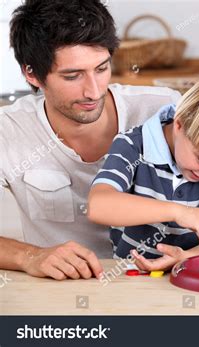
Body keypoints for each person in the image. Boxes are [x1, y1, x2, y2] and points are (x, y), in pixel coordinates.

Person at [0, 0, 181, 280]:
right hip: (61, 291)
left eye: (101, 68)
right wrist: (30, 256)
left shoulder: (163, 110)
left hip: (158, 284)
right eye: (73, 76)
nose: (93, 91)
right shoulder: (9, 129)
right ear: (31, 74)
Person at [87, 73, 199, 271]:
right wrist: (180, 212)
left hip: (193, 275)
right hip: (127, 278)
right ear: (180, 124)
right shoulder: (133, 146)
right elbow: (99, 205)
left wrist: (187, 257)